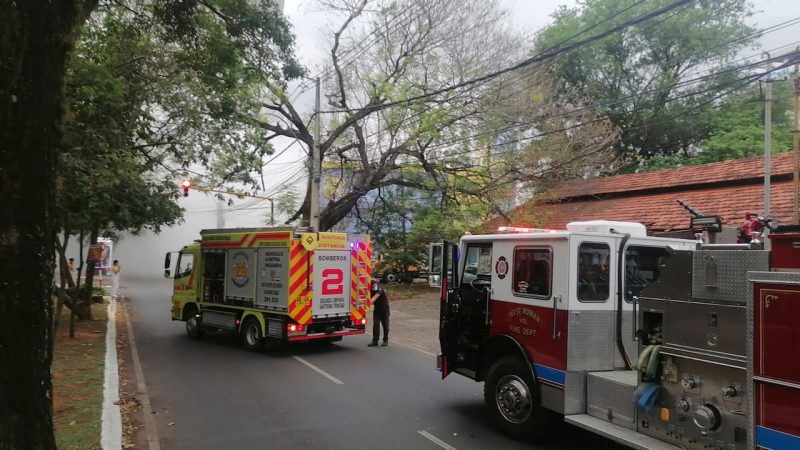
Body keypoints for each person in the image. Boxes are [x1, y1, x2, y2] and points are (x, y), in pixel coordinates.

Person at [368, 279, 390, 347]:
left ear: (376, 284)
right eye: (371, 286)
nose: (373, 287)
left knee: (385, 326)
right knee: (376, 325)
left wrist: (367, 303)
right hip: (377, 309)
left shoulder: (380, 289)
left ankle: (385, 340)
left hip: (384, 309)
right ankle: (375, 341)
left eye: (374, 285)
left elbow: (374, 297)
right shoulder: (370, 290)